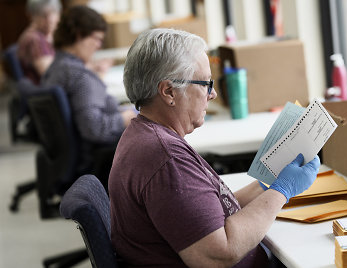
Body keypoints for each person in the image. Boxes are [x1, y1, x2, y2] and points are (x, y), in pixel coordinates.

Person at [108, 28, 321, 268]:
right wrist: (282, 190)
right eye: (205, 84)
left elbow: (210, 214)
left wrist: (265, 183)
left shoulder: (146, 136)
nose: (213, 93)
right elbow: (219, 254)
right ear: (169, 92)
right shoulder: (166, 160)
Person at [41, 5, 135, 146]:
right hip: (103, 153)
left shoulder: (55, 68)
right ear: (79, 35)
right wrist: (125, 118)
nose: (99, 46)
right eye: (97, 39)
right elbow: (93, 128)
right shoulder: (80, 76)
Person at [17, 0, 61, 84]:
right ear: (32, 16)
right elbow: (49, 74)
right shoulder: (34, 39)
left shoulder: (47, 35)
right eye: (43, 15)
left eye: (53, 13)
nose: (50, 19)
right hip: (46, 91)